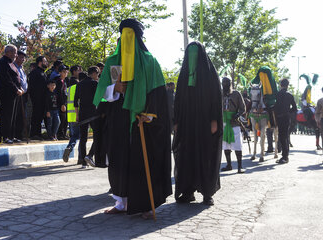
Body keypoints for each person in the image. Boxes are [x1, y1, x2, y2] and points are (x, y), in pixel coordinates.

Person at [92, 18, 172, 217]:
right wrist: (114, 88)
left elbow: (158, 93)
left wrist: (150, 114)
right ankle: (121, 203)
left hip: (141, 120)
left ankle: (146, 205)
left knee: (142, 162)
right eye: (123, 35)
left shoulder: (149, 62)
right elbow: (102, 93)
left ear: (137, 37)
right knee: (119, 160)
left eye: (131, 35)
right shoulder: (113, 63)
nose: (127, 40)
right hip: (118, 119)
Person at [173, 41, 223, 205]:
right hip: (187, 123)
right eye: (190, 53)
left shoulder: (210, 75)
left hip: (205, 122)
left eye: (195, 53)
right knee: (186, 154)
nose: (192, 57)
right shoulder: (183, 75)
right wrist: (176, 122)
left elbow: (216, 99)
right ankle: (187, 192)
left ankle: (207, 193)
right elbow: (178, 100)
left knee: (206, 155)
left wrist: (214, 120)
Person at [0, 44, 24, 144]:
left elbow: (16, 78)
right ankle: (5, 136)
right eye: (15, 52)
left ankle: (12, 135)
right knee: (7, 115)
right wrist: (16, 89)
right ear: (9, 52)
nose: (16, 55)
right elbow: (6, 79)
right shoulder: (2, 62)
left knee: (14, 115)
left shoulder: (12, 63)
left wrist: (20, 87)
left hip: (15, 93)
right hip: (7, 93)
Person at [74, 66, 99, 168]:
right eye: (97, 74)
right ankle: (90, 155)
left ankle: (84, 162)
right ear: (93, 73)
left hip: (82, 114)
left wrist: (77, 115)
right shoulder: (95, 83)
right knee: (98, 135)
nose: (98, 76)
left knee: (83, 138)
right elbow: (99, 98)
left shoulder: (79, 84)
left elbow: (75, 102)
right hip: (93, 113)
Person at [221, 77, 246, 173]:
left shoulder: (236, 94)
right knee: (226, 145)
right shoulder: (220, 94)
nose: (225, 84)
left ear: (230, 83)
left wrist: (237, 115)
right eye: (223, 82)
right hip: (224, 122)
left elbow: (242, 108)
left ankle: (240, 166)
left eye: (227, 82)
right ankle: (229, 165)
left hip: (234, 123)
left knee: (237, 145)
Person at [274, 78, 297, 164]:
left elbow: (276, 106)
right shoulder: (290, 95)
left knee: (282, 137)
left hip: (279, 118)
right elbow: (294, 108)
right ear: (287, 85)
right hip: (287, 118)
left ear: (281, 85)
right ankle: (285, 156)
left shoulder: (278, 94)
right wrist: (288, 112)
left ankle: (285, 157)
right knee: (285, 136)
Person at [28, 56, 49, 140]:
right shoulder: (35, 72)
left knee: (40, 116)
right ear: (40, 62)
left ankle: (38, 134)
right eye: (45, 61)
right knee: (36, 116)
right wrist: (35, 97)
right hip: (37, 99)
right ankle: (34, 134)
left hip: (43, 99)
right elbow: (31, 86)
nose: (46, 63)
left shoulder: (43, 72)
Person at [13, 50, 28, 141]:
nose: (23, 59)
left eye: (24, 58)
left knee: (21, 117)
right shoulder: (13, 67)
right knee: (16, 116)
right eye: (21, 57)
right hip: (16, 94)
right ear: (16, 57)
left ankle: (19, 135)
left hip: (23, 95)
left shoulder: (22, 68)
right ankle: (14, 135)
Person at [54, 65, 69, 140]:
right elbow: (59, 93)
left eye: (66, 71)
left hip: (65, 101)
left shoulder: (65, 81)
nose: (66, 73)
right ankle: (60, 134)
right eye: (63, 71)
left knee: (65, 119)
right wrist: (62, 104)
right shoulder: (59, 81)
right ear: (60, 72)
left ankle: (63, 133)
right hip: (61, 103)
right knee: (62, 118)